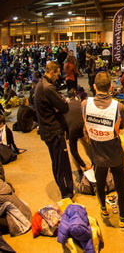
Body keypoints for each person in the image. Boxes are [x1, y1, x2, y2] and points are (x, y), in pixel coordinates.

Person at [81, 71, 124, 231]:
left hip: (96, 152)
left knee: (100, 181)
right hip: (114, 152)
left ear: (94, 87)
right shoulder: (118, 107)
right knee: (120, 186)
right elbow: (121, 128)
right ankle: (123, 220)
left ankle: (103, 209)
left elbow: (85, 125)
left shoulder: (84, 104)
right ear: (111, 87)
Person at [34, 61, 74, 199]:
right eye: (57, 74)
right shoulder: (48, 88)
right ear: (52, 72)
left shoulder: (41, 84)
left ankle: (65, 189)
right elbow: (64, 107)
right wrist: (60, 104)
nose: (58, 77)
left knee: (57, 162)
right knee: (61, 164)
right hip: (54, 131)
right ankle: (67, 193)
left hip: (48, 130)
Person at [64, 90, 92, 173]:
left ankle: (91, 163)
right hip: (71, 128)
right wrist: (84, 165)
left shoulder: (72, 105)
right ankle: (80, 169)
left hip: (74, 125)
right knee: (77, 147)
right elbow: (73, 151)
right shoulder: (80, 103)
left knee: (86, 143)